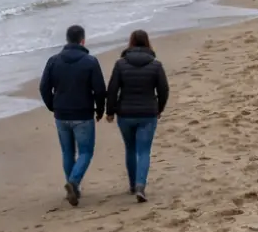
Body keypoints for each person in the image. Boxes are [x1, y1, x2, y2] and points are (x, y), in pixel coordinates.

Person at [39, 25, 106, 206]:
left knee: (67, 151)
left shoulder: (53, 61)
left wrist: (52, 105)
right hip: (83, 113)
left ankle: (73, 188)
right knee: (85, 151)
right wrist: (100, 109)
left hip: (61, 113)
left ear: (67, 40)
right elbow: (99, 89)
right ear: (82, 40)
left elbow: (44, 87)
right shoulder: (90, 61)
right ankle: (74, 182)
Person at [105, 30, 170, 203]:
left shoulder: (120, 64)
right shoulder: (156, 65)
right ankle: (141, 185)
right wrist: (159, 108)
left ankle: (133, 185)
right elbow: (163, 90)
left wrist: (110, 111)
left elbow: (112, 89)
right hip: (148, 113)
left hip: (125, 114)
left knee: (130, 149)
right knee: (143, 151)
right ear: (148, 43)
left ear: (131, 43)